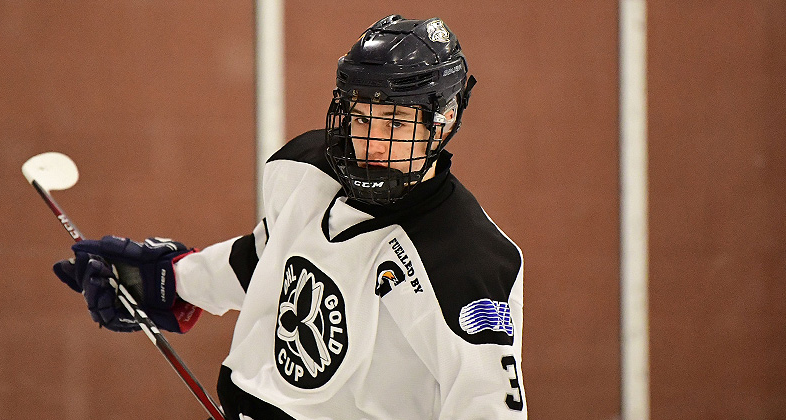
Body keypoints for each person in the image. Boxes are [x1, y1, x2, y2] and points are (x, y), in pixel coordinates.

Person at [54, 14, 526, 419]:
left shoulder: (470, 263)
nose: (372, 144)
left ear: (442, 120)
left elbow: (485, 406)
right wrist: (170, 281)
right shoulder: (306, 168)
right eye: (362, 119)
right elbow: (266, 260)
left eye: (396, 124)